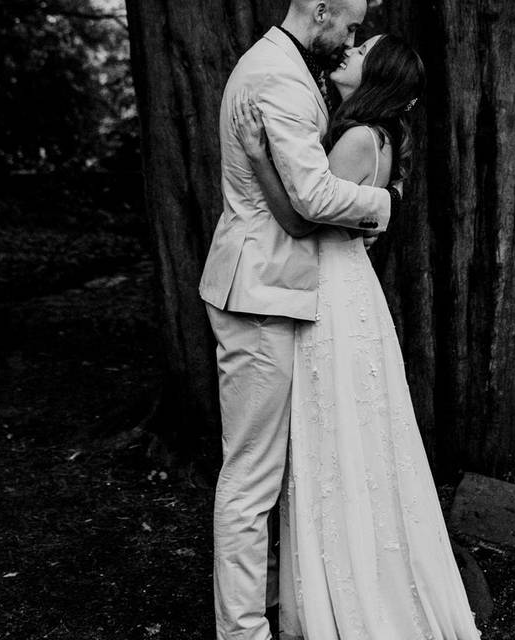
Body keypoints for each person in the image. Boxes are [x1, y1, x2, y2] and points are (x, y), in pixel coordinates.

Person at [230, 34, 482, 640]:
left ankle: (353, 599)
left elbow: (300, 220)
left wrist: (259, 159)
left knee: (335, 440)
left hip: (332, 297)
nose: (348, 51)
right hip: (349, 289)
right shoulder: (380, 137)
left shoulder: (355, 139)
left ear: (377, 75)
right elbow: (356, 221)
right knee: (358, 440)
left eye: (361, 49)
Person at [198, 1, 403, 639]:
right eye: (349, 26)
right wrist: (385, 201)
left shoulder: (293, 64)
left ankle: (290, 605)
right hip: (259, 292)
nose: (351, 40)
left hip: (281, 289)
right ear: (320, 11)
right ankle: (242, 633)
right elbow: (311, 198)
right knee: (251, 474)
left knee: (285, 467)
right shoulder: (278, 77)